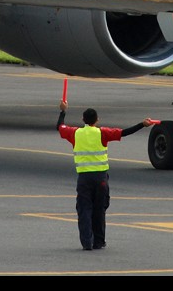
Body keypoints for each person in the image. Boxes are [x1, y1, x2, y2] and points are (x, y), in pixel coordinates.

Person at [56, 99, 153, 251]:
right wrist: (142, 124)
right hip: (101, 178)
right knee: (99, 209)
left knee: (84, 209)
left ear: (83, 120)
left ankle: (87, 241)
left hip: (84, 178)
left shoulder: (76, 133)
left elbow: (60, 127)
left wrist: (63, 111)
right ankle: (99, 241)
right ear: (97, 120)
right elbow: (124, 132)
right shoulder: (102, 133)